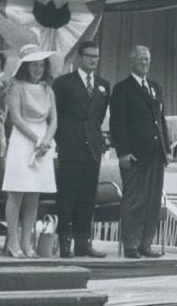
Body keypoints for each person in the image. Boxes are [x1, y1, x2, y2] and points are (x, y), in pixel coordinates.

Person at [108, 44, 170, 258]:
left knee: (153, 201)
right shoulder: (122, 89)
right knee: (135, 200)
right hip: (135, 155)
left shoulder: (155, 87)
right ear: (131, 61)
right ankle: (131, 245)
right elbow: (118, 123)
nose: (145, 62)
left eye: (147, 59)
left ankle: (146, 243)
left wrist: (167, 148)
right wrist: (123, 152)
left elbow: (161, 120)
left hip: (156, 154)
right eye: (141, 59)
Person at [52, 40, 110, 258]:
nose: (93, 60)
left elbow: (98, 116)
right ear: (79, 57)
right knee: (67, 197)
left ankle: (82, 242)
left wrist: (96, 140)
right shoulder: (64, 83)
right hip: (70, 146)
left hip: (92, 149)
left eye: (96, 56)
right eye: (89, 56)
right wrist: (64, 140)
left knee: (87, 197)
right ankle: (64, 241)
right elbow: (56, 115)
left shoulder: (104, 85)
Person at [1, 44, 58, 258]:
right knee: (16, 193)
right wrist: (36, 140)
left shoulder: (48, 90)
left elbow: (54, 121)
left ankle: (27, 243)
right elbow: (15, 118)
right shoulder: (16, 87)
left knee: (34, 194)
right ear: (25, 67)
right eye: (34, 65)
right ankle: (12, 243)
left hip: (43, 143)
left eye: (41, 65)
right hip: (22, 141)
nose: (38, 69)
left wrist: (46, 140)